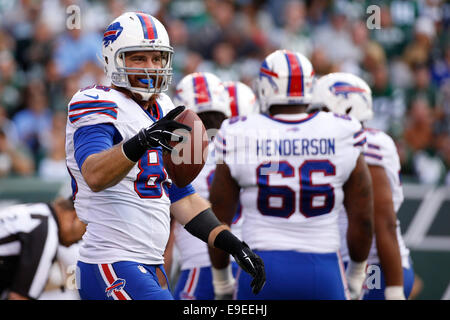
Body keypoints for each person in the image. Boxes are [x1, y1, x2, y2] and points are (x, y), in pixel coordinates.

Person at [65, 12, 265, 300]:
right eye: (139, 58)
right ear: (113, 59)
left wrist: (233, 244)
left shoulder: (164, 108)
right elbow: (94, 175)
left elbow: (182, 197)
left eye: (157, 58)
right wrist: (141, 142)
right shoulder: (96, 102)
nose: (151, 67)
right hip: (111, 261)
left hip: (150, 265)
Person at [208, 49, 374, 300]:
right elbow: (363, 219)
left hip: (260, 267)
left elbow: (220, 217)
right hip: (323, 269)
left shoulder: (238, 132)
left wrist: (221, 280)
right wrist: (356, 276)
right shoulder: (341, 130)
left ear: (264, 87)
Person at [311, 72, 415, 300]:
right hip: (345, 262)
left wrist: (394, 290)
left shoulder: (367, 144)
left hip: (374, 268)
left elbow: (382, 222)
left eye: (318, 110)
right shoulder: (333, 143)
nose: (312, 117)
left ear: (342, 109)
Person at [166, 73, 258, 300]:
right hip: (250, 263)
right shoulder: (246, 147)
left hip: (202, 267)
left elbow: (165, 243)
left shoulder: (177, 153)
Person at [0, 197, 85, 300]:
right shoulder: (48, 232)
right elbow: (19, 297)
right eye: (86, 227)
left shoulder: (37, 210)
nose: (82, 238)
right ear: (77, 216)